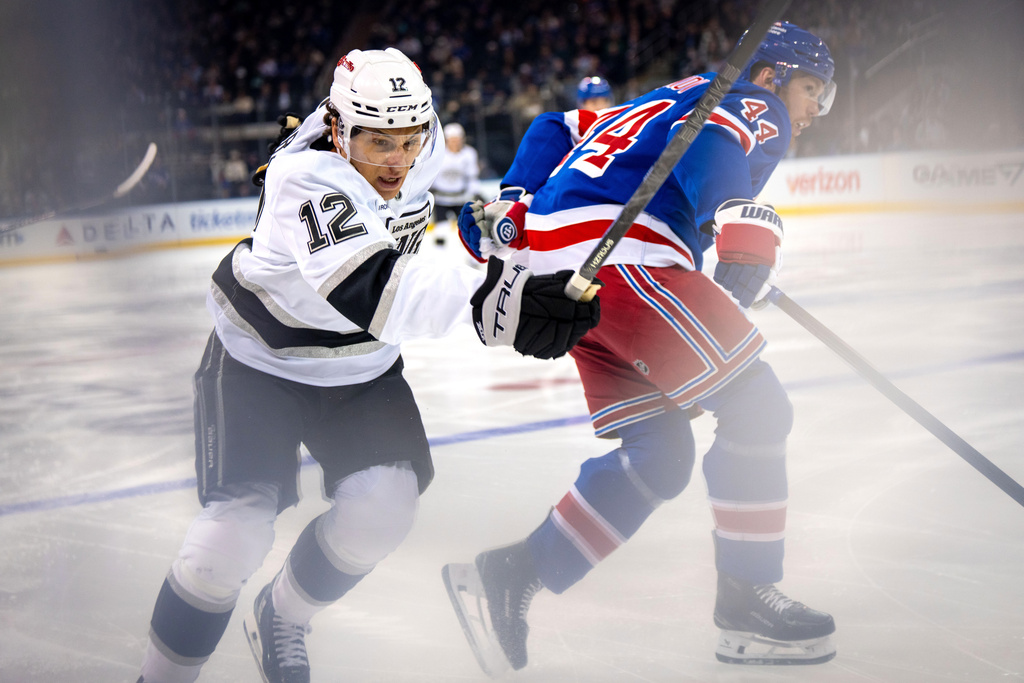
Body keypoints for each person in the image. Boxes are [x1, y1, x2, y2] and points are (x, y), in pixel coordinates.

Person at [137, 47, 599, 683]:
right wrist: (503, 300)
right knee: (229, 541)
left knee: (383, 512)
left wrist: (495, 233)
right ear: (337, 130)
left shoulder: (423, 139)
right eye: (378, 141)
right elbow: (379, 291)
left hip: (359, 369)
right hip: (259, 363)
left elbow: (428, 229)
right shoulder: (306, 179)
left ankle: (282, 616)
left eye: (409, 140)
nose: (398, 160)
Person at [444, 21, 839, 674]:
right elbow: (712, 146)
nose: (811, 112)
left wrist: (511, 209)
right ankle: (744, 601)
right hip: (627, 258)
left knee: (660, 453)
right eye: (811, 92)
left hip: (570, 277)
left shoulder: (657, 98)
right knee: (758, 407)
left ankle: (512, 573)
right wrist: (745, 228)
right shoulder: (752, 99)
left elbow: (555, 138)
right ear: (770, 74)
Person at [429, 122, 482, 246]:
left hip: (461, 198)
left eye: (457, 139)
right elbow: (432, 175)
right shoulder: (438, 154)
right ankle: (439, 256)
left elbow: (472, 176)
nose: (455, 143)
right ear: (446, 140)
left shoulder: (469, 153)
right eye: (452, 140)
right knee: (440, 231)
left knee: (466, 229)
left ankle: (471, 255)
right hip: (441, 199)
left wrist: (475, 193)